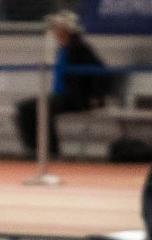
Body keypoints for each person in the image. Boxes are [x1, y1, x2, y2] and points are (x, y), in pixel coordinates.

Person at [14, 10, 113, 160]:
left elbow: (100, 73)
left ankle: (51, 151)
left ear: (69, 30)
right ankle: (33, 149)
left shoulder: (81, 49)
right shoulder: (62, 50)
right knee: (24, 107)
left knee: (44, 108)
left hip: (80, 99)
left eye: (59, 27)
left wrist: (97, 96)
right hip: (62, 96)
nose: (55, 31)